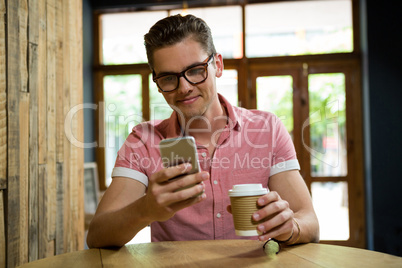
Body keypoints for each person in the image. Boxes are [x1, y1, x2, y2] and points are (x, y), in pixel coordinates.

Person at [87, 14, 319, 248]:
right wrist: (145, 209)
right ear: (157, 83)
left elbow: (309, 221)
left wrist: (291, 228)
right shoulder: (143, 141)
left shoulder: (267, 129)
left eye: (196, 70)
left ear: (217, 65)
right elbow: (97, 236)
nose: (185, 88)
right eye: (169, 78)